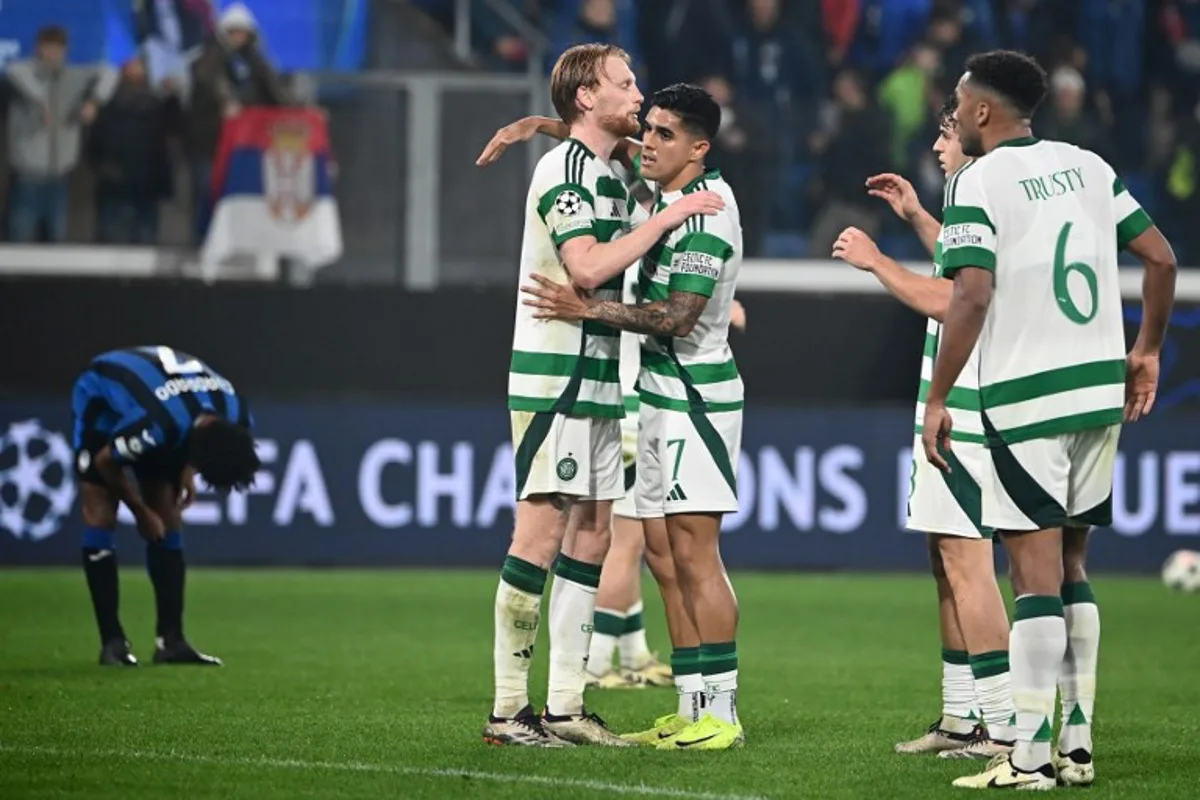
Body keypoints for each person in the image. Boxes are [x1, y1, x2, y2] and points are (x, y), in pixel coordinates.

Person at [921, 50, 1177, 789]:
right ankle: (1077, 744)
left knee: (1032, 580)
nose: (956, 111)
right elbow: (1160, 259)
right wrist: (1148, 351)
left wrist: (938, 398)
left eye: (959, 99)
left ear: (979, 112)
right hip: (1098, 395)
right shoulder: (1089, 165)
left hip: (1026, 398)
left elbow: (970, 296)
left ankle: (1030, 757)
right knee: (1072, 569)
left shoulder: (978, 180)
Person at [484, 45, 723, 748]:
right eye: (625, 83)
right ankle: (506, 711)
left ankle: (564, 707)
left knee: (592, 532)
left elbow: (589, 143)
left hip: (595, 377)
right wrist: (662, 224)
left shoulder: (605, 167)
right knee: (540, 534)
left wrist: (538, 120)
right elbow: (584, 267)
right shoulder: (566, 171)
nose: (639, 95)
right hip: (553, 379)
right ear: (587, 96)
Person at [832, 96, 1016, 760]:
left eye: (944, 134)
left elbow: (956, 298)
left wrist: (878, 261)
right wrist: (915, 216)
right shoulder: (982, 192)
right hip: (957, 402)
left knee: (970, 564)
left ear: (972, 130)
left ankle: (1001, 729)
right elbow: (958, 268)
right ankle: (961, 718)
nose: (938, 148)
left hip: (966, 405)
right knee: (948, 563)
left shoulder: (978, 187)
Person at [72, 346, 260, 667]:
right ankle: (112, 642)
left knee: (169, 515)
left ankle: (171, 642)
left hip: (167, 403)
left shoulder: (238, 414)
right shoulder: (159, 426)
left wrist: (186, 470)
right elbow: (107, 462)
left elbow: (201, 439)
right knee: (101, 513)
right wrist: (140, 512)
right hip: (102, 398)